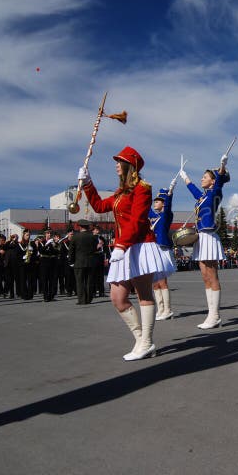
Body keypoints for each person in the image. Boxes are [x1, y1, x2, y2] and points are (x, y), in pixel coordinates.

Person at [78, 146, 175, 361]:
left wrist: (121, 245)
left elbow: (138, 220)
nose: (115, 165)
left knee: (144, 295)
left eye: (119, 161)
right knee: (117, 298)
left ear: (129, 165)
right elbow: (99, 205)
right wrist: (87, 183)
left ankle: (146, 343)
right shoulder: (120, 193)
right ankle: (141, 339)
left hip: (139, 246)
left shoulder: (142, 188)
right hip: (124, 247)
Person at [179, 155, 230, 329]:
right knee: (204, 276)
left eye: (205, 177)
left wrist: (222, 165)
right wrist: (184, 177)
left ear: (212, 181)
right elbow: (193, 190)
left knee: (212, 275)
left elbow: (221, 180)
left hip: (209, 236)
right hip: (200, 237)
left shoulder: (215, 192)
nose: (202, 178)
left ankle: (215, 316)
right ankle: (211, 314)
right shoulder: (202, 197)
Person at [149, 184, 177, 320]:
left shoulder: (166, 215)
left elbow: (168, 206)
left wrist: (169, 193)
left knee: (162, 281)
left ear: (163, 203)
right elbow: (143, 204)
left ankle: (167, 309)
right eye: (155, 201)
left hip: (162, 248)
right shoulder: (151, 214)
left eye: (158, 201)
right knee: (154, 282)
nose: (155, 203)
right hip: (152, 248)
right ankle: (160, 309)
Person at [69, 219, 97, 305]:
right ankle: (89, 299)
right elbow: (95, 249)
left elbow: (71, 251)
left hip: (79, 262)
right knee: (89, 281)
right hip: (90, 262)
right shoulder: (93, 236)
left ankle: (82, 300)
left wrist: (71, 261)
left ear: (80, 226)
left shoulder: (75, 237)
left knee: (80, 282)